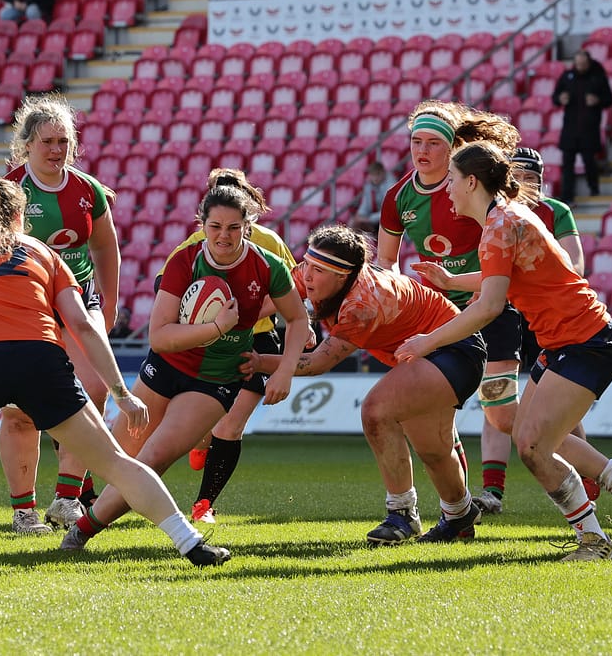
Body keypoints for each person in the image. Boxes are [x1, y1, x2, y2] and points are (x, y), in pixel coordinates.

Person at [0, 178, 230, 568]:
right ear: (20, 215)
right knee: (116, 463)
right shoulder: (41, 251)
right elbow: (84, 326)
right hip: (39, 359)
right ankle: (190, 543)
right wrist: (121, 393)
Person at [395, 141, 612, 560]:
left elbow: (490, 306)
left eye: (453, 181)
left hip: (585, 341)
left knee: (533, 446)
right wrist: (450, 281)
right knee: (529, 434)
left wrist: (430, 340)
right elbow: (505, 278)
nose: (448, 190)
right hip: (569, 340)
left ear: (471, 181)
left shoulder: (500, 226)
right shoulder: (503, 220)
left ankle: (595, 542)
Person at [58, 184, 310, 552]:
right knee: (116, 455)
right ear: (202, 225)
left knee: (153, 458)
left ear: (248, 226)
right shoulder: (184, 260)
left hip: (216, 380)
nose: (224, 235)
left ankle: (82, 529)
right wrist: (217, 328)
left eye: (234, 227)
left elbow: (298, 319)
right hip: (166, 367)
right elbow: (159, 337)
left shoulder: (267, 266)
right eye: (216, 226)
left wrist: (285, 370)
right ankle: (84, 498)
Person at [247, 224, 487, 544]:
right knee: (434, 452)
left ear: (342, 277)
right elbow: (266, 304)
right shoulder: (315, 273)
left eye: (318, 270)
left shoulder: (362, 302)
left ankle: (401, 515)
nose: (306, 276)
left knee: (376, 411)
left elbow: (319, 361)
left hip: (454, 348)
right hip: (429, 352)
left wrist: (258, 362)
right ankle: (460, 516)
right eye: (307, 264)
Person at [377, 99, 518, 530]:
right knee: (436, 416)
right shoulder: (398, 196)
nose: (422, 151)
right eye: (415, 141)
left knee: (504, 412)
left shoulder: (471, 187)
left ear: (453, 146)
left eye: (433, 143)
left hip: (489, 303)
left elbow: (503, 252)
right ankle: (457, 511)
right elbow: (387, 266)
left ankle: (598, 476)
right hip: (438, 314)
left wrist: (457, 281)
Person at [0, 94, 122, 534]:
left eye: (63, 141)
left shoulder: (88, 190)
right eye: (47, 140)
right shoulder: (9, 192)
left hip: (79, 299)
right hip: (26, 307)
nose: (56, 149)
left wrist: (111, 299)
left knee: (92, 391)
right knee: (19, 410)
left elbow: (105, 246)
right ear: (26, 144)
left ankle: (67, 499)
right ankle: (23, 511)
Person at [163, 168, 301, 525]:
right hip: (212, 341)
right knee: (210, 423)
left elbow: (294, 291)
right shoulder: (193, 247)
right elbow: (168, 292)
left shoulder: (269, 243)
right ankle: (199, 440)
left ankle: (204, 504)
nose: (223, 231)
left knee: (232, 424)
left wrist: (254, 312)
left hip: (256, 338)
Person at [472, 146, 592, 514]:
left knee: (565, 414)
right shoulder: (496, 213)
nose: (525, 183)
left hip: (547, 317)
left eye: (532, 177)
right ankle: (492, 492)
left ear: (541, 180)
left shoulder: (555, 212)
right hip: (506, 315)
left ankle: (591, 483)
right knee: (497, 400)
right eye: (518, 176)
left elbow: (575, 264)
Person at [551, 50, 612, 204]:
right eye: (578, 64)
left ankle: (594, 188)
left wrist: (597, 100)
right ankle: (567, 196)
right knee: (567, 163)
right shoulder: (567, 77)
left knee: (589, 161)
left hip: (589, 128)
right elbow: (555, 97)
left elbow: (609, 99)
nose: (580, 67)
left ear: (589, 63)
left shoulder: (598, 77)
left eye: (583, 64)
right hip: (570, 128)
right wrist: (560, 99)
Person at [351, 162, 396, 237]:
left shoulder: (391, 185)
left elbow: (389, 211)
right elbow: (365, 205)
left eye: (377, 174)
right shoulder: (368, 185)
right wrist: (360, 215)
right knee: (354, 223)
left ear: (383, 173)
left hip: (392, 218)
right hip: (376, 218)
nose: (375, 178)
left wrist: (369, 219)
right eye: (372, 175)